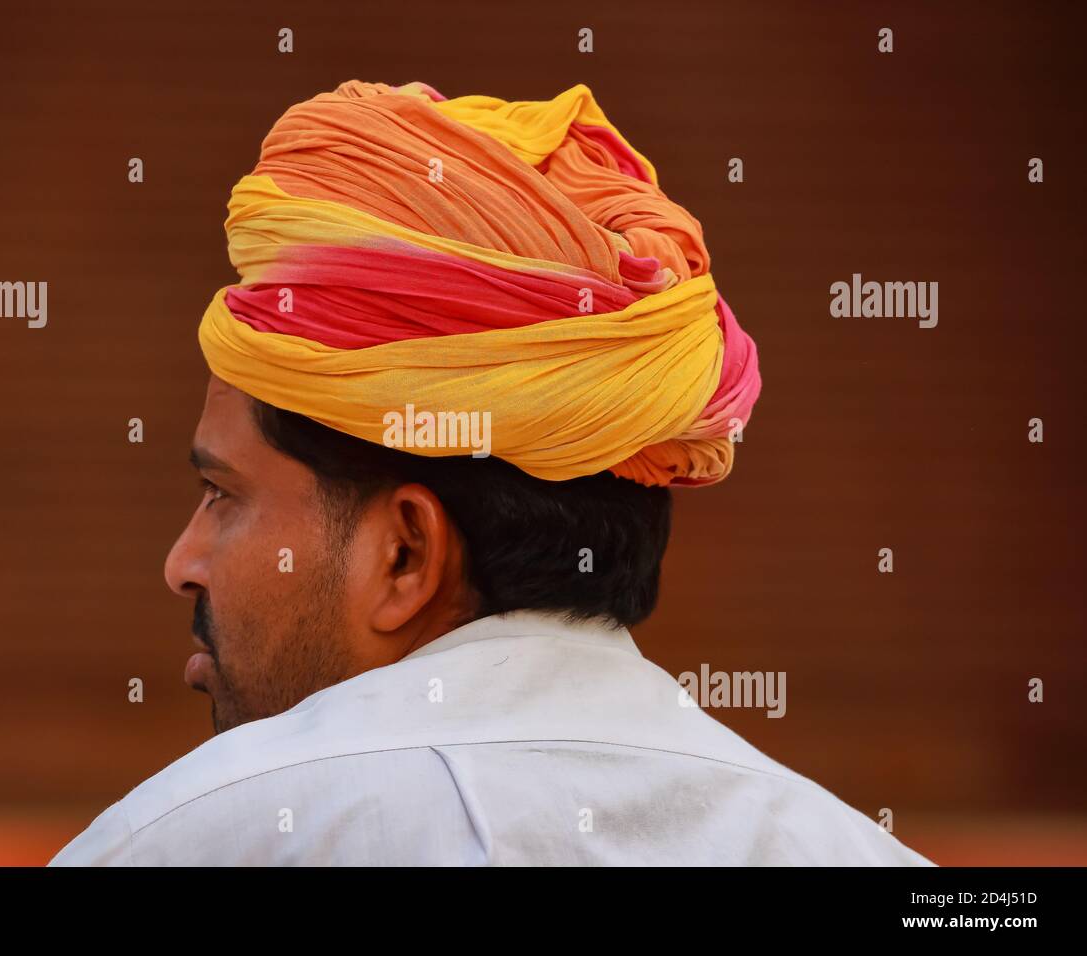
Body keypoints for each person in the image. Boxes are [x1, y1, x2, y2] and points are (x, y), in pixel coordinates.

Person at [50, 80, 932, 866]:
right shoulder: (848, 849)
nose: (182, 562)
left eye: (220, 496)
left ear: (406, 554)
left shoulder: (195, 837)